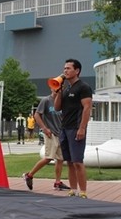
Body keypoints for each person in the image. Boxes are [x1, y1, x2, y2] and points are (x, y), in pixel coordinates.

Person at [54, 58, 93, 199]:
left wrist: (82, 128)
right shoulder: (66, 89)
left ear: (77, 71)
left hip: (76, 128)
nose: (65, 71)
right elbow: (57, 107)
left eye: (68, 68)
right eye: (64, 68)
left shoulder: (83, 87)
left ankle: (83, 192)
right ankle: (73, 189)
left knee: (77, 162)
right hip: (64, 128)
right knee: (69, 162)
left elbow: (87, 108)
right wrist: (58, 91)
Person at [23, 90, 70, 191]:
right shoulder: (46, 100)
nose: (57, 91)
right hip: (50, 133)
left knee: (60, 159)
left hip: (60, 133)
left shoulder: (62, 101)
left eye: (59, 89)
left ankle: (57, 182)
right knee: (49, 157)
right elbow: (37, 115)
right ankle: (29, 175)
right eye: (55, 88)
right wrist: (44, 128)